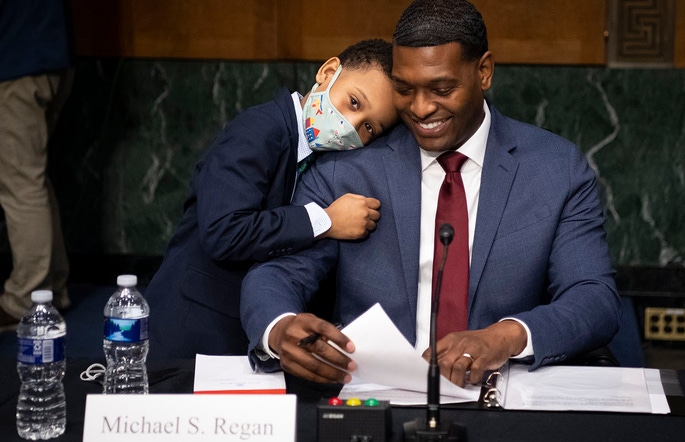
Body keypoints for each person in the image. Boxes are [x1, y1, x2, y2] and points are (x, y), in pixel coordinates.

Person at [241, 0, 621, 387]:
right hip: (373, 396)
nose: (421, 109)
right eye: (404, 90)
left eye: (442, 88)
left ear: (484, 71)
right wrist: (279, 327)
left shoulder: (555, 169)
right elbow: (279, 273)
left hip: (501, 400)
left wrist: (506, 337)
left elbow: (593, 298)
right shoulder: (348, 168)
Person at [144, 39, 399, 358]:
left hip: (244, 331)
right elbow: (225, 231)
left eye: (369, 128)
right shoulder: (259, 129)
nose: (351, 126)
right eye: (353, 102)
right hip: (191, 325)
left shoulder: (323, 159)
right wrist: (326, 220)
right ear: (328, 71)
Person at [0, 0, 72, 330]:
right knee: (32, 180)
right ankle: (50, 291)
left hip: (13, 61)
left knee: (20, 185)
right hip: (51, 55)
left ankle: (24, 302)